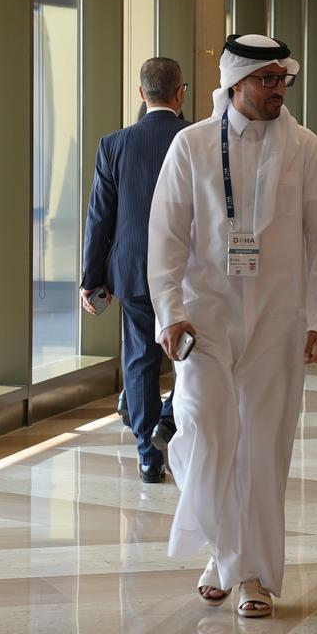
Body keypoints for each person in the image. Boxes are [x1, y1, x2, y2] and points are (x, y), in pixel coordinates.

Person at [147, 33, 317, 618]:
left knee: (263, 445)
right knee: (205, 432)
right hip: (204, 317)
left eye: (283, 79)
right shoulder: (191, 145)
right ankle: (224, 547)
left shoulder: (305, 147)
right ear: (236, 83)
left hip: (280, 317)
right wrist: (169, 313)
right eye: (268, 79)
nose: (279, 88)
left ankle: (247, 571)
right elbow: (165, 236)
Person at [80, 57, 190, 483]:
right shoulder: (198, 138)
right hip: (191, 270)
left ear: (141, 95)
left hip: (136, 269)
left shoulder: (114, 143)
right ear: (180, 93)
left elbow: (99, 217)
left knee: (141, 357)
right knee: (195, 357)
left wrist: (92, 280)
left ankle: (148, 453)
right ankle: (169, 414)